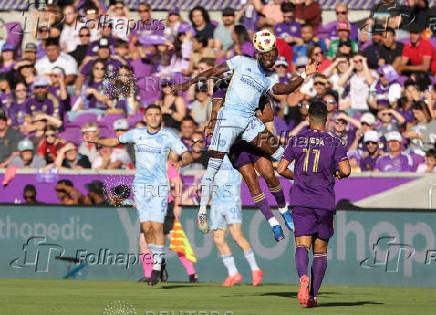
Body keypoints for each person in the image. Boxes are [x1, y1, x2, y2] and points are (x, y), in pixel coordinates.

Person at [174, 29, 317, 232]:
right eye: (267, 56)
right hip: (230, 124)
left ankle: (306, 186)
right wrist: (188, 83)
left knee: (278, 155)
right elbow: (214, 74)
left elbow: (282, 93)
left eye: (273, 57)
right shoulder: (240, 63)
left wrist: (305, 74)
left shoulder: (270, 77)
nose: (270, 60)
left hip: (249, 123)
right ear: (259, 53)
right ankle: (203, 212)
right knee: (218, 170)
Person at [84, 104, 193, 286]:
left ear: (160, 117)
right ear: (146, 117)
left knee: (157, 226)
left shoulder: (168, 136)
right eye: (150, 114)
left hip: (159, 186)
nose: (153, 117)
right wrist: (98, 141)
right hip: (141, 187)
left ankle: (157, 268)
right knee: (147, 227)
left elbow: (187, 154)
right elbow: (115, 141)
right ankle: (158, 261)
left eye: (156, 114)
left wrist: (182, 162)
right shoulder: (137, 133)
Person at [277, 100, 351, 308]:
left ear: (308, 119)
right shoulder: (334, 142)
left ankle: (303, 277)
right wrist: (336, 173)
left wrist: (298, 177)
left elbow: (281, 168)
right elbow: (345, 170)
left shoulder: (297, 140)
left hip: (301, 200)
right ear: (326, 120)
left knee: (302, 245)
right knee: (320, 251)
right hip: (324, 202)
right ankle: (314, 296)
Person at [210, 155, 264, 287]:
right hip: (216, 203)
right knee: (218, 239)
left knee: (237, 236)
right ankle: (233, 273)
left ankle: (255, 269)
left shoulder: (236, 155)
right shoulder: (214, 156)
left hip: (231, 202)